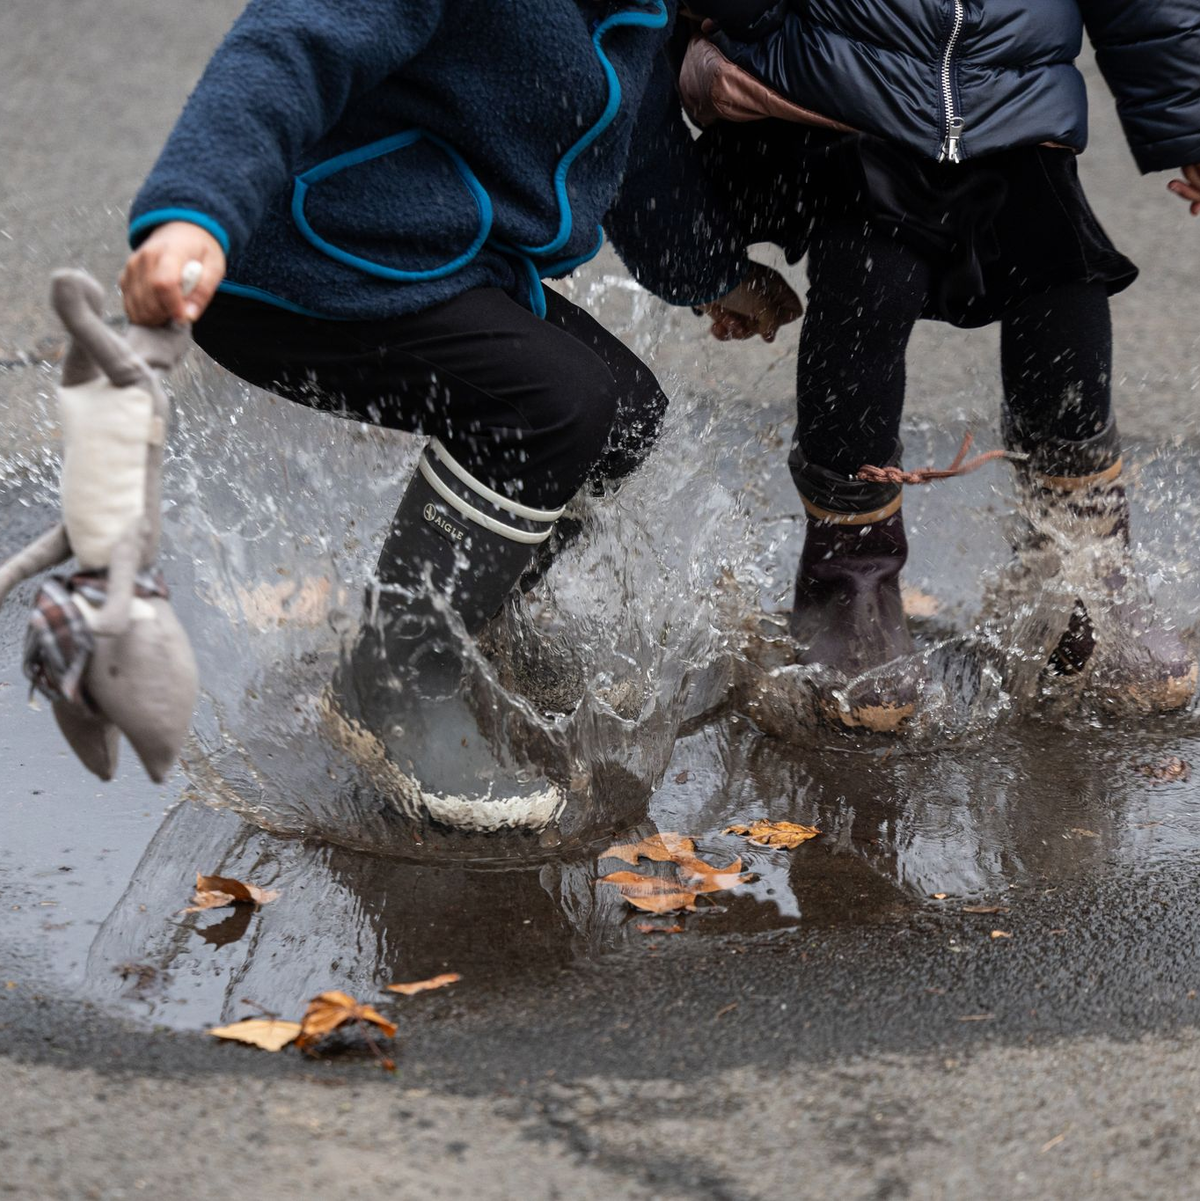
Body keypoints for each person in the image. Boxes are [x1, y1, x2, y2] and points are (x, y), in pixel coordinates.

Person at [119, 0, 802, 832]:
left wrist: (714, 276)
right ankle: (396, 680)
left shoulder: (639, 8)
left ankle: (465, 621)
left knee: (622, 415)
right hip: (294, 261)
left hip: (431, 256)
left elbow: (643, 160)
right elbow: (290, 45)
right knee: (552, 401)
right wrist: (194, 213)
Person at [684, 0, 1200, 730]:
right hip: (847, 90)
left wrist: (1191, 118)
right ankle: (848, 576)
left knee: (1064, 287)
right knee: (871, 278)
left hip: (1013, 98)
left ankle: (1082, 564)